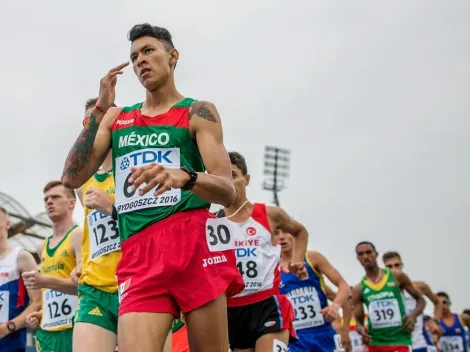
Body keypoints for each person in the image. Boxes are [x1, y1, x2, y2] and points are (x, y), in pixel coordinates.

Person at [61, 23, 244, 352]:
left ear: (172, 57)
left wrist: (185, 176)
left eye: (148, 51)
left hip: (192, 245)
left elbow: (227, 190)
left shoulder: (197, 111)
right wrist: (99, 109)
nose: (140, 61)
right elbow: (71, 177)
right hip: (140, 252)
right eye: (133, 57)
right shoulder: (117, 118)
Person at [220, 151, 308, 351]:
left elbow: (300, 232)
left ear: (247, 179)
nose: (228, 182)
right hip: (231, 311)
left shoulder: (270, 214)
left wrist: (298, 260)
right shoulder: (212, 222)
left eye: (233, 175)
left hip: (267, 304)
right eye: (222, 177)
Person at [23, 181, 82, 352]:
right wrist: (42, 314)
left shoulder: (78, 235)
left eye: (56, 197)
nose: (49, 201)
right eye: (46, 199)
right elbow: (50, 293)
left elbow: (86, 285)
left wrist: (45, 281)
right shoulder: (43, 246)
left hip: (74, 328)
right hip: (48, 331)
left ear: (71, 203)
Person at [276, 229, 350, 352]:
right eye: (276, 233)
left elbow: (343, 285)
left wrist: (335, 308)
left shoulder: (312, 258)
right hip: (294, 339)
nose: (281, 237)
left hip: (323, 334)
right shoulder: (272, 267)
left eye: (286, 232)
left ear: (295, 235)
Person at [351, 242, 425, 352]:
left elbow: (421, 300)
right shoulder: (359, 289)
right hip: (375, 343)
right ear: (357, 258)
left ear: (376, 254)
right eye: (361, 254)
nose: (365, 256)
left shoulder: (397, 276)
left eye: (368, 252)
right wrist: (362, 330)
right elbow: (359, 323)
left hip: (400, 340)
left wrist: (412, 316)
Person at [382, 251, 442, 352]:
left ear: (402, 265)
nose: (394, 269)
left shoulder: (419, 286)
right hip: (398, 343)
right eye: (390, 266)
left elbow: (437, 302)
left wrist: (435, 322)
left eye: (397, 265)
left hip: (420, 343)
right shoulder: (382, 291)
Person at [0, 207, 42, 352]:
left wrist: (8, 328)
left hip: (10, 343)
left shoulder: (21, 257)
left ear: (8, 223)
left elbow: (38, 301)